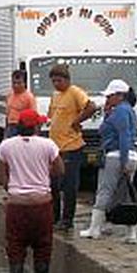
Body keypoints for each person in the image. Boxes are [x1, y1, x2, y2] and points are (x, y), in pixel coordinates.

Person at [0, 109, 64, 273]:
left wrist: (9, 187)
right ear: (36, 126)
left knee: (15, 244)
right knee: (43, 246)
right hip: (41, 203)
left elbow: (0, 168)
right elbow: (60, 169)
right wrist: (44, 172)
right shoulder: (48, 145)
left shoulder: (6, 146)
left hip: (17, 203)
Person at [81, 79, 137, 243]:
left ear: (119, 96)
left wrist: (123, 160)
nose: (107, 99)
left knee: (104, 191)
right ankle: (131, 233)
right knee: (126, 194)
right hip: (131, 155)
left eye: (109, 96)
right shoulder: (128, 110)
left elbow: (123, 136)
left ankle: (95, 229)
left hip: (116, 155)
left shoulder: (120, 111)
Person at [47, 64, 97, 231]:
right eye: (53, 81)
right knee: (53, 184)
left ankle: (67, 219)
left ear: (67, 80)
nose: (56, 84)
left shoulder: (75, 92)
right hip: (55, 147)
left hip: (71, 146)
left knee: (69, 185)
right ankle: (55, 217)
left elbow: (91, 106)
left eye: (59, 80)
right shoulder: (55, 95)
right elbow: (51, 116)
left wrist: (77, 121)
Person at [5, 70, 36, 139]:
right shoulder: (9, 95)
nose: (16, 85)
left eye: (19, 83)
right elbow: (7, 113)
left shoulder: (29, 97)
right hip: (10, 127)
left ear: (24, 83)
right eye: (14, 83)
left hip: (22, 129)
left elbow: (33, 116)